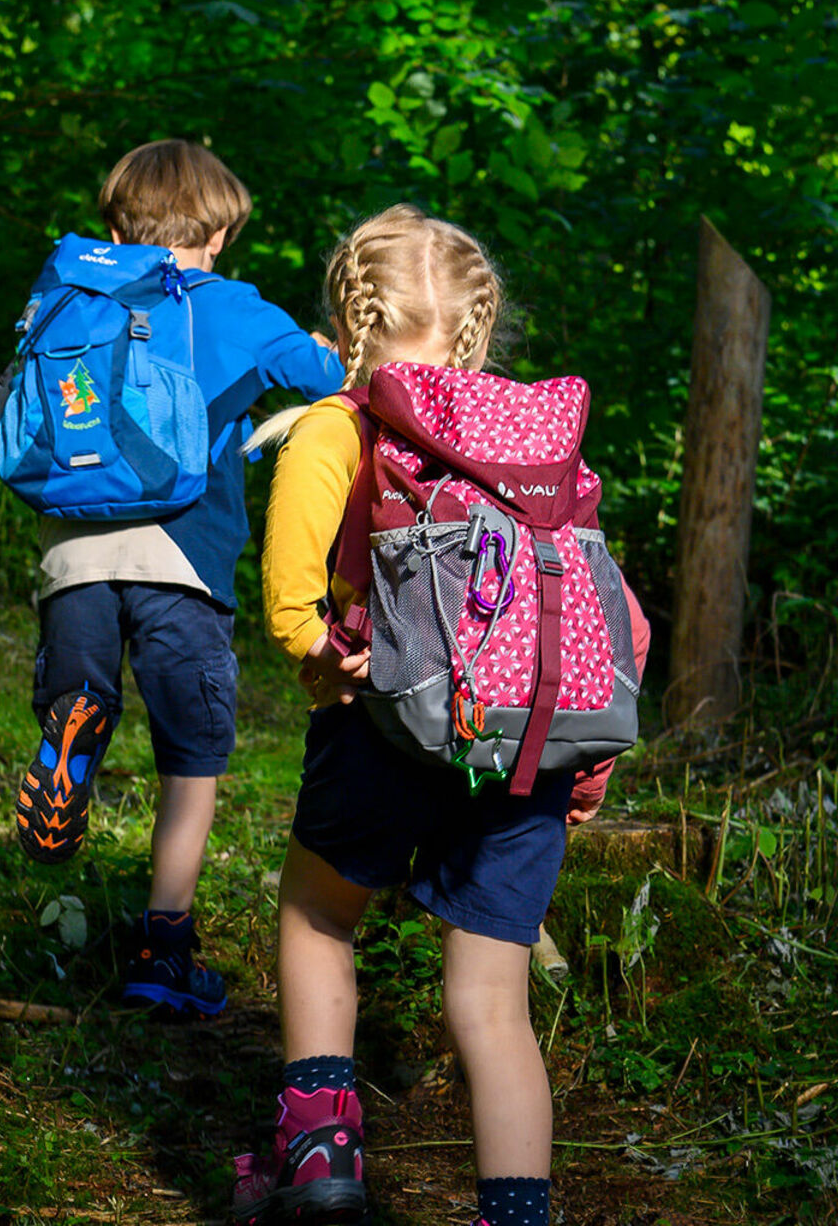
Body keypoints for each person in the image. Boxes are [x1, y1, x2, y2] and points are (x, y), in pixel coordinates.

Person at [0, 140, 344, 1019]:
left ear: (117, 225)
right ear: (222, 231)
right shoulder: (229, 307)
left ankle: (71, 726)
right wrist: (317, 349)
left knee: (82, 693)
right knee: (191, 761)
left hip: (71, 567)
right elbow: (329, 378)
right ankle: (164, 948)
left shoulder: (65, 305)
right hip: (183, 569)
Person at [231, 204, 648, 1226]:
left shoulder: (345, 420)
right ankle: (514, 1213)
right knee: (493, 1004)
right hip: (529, 750)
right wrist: (583, 772)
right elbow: (615, 618)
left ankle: (322, 1156)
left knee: (319, 915)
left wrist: (321, 656)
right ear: (478, 329)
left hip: (385, 726)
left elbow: (288, 580)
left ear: (348, 321)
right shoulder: (535, 441)